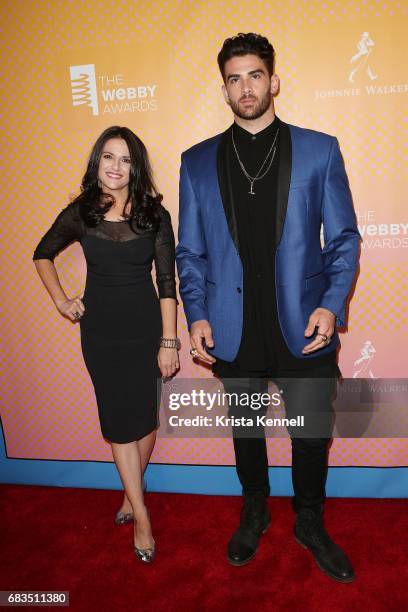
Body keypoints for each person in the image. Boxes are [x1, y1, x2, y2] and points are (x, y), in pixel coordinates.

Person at [176, 33, 360, 582]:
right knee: (247, 431)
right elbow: (189, 251)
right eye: (234, 78)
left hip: (305, 324)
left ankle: (309, 520)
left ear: (273, 81)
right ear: (224, 88)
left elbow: (345, 238)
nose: (245, 87)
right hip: (233, 329)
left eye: (255, 75)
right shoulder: (197, 161)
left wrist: (331, 304)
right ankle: (254, 509)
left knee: (310, 434)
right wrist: (198, 313)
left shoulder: (319, 149)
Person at [33, 126, 179, 563]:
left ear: (136, 167)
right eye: (108, 158)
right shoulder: (81, 213)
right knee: (119, 423)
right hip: (100, 334)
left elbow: (168, 282)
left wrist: (169, 340)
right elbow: (42, 253)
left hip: (146, 330)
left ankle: (131, 494)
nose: (116, 167)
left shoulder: (155, 215)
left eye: (126, 159)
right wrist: (62, 300)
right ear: (98, 163)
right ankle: (142, 517)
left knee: (146, 421)